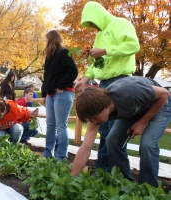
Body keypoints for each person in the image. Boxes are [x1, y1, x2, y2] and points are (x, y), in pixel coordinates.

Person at [74, 1, 140, 171]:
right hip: (104, 84)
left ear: (98, 15)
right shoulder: (99, 35)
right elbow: (98, 64)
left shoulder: (121, 23)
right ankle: (103, 173)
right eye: (89, 24)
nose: (92, 26)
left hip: (121, 83)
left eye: (92, 22)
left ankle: (120, 177)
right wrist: (86, 78)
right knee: (102, 129)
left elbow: (133, 45)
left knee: (115, 135)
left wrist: (105, 50)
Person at [71, 76, 171, 187]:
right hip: (135, 108)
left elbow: (164, 94)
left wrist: (142, 122)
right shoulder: (96, 111)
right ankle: (124, 183)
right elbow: (86, 147)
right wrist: (72, 179)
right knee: (112, 140)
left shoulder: (129, 92)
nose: (94, 121)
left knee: (147, 144)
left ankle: (148, 188)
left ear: (104, 107)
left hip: (160, 104)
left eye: (94, 117)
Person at [42, 29, 78, 161]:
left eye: (46, 39)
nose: (45, 42)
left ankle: (61, 156)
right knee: (50, 124)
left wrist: (60, 85)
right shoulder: (49, 57)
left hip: (63, 93)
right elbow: (46, 76)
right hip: (51, 95)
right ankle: (47, 153)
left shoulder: (63, 53)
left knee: (61, 125)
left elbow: (73, 71)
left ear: (52, 39)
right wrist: (44, 93)